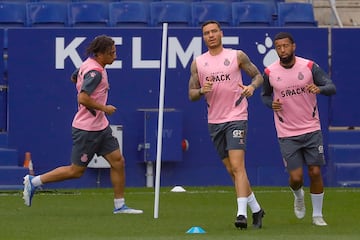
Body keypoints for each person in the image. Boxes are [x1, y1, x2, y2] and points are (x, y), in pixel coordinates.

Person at [22, 35, 143, 215]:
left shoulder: (89, 65)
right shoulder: (96, 72)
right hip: (87, 130)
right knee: (76, 171)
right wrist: (104, 107)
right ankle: (34, 182)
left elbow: (74, 77)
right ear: (100, 54)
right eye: (112, 53)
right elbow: (83, 97)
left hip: (101, 127)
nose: (115, 56)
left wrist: (91, 99)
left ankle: (120, 206)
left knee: (118, 161)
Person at [188, 20, 265, 229]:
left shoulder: (236, 56)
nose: (211, 35)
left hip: (237, 115)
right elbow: (191, 93)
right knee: (232, 169)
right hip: (215, 120)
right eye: (206, 33)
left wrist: (251, 87)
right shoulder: (198, 63)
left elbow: (258, 76)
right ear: (203, 37)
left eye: (214, 31)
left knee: (239, 166)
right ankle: (257, 209)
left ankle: (241, 214)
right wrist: (202, 91)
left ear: (221, 33)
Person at [261, 32, 336, 226]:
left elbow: (331, 86)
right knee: (296, 178)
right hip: (287, 132)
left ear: (293, 46)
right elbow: (265, 96)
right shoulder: (270, 72)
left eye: (286, 46)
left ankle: (317, 215)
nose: (282, 50)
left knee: (315, 172)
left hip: (311, 128)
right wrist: (272, 104)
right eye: (278, 47)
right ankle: (298, 195)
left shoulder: (309, 67)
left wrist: (319, 89)